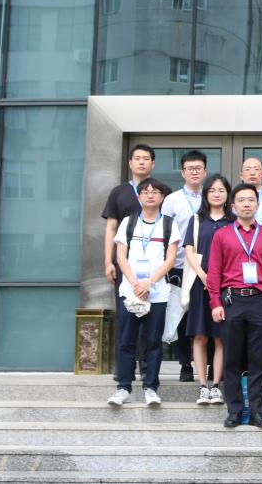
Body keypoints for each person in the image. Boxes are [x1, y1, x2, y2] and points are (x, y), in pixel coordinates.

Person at [207, 184, 262, 428]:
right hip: (232, 300)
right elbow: (214, 271)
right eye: (241, 200)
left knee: (258, 359)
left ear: (258, 205)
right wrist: (215, 302)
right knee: (232, 358)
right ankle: (235, 412)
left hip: (260, 300)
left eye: (251, 199)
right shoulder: (223, 235)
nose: (247, 204)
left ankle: (258, 412)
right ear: (233, 206)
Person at [108, 177, 179, 407]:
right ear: (138, 197)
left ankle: (151, 387)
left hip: (157, 292)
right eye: (146, 192)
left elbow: (170, 259)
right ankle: (123, 388)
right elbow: (120, 256)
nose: (150, 195)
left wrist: (149, 283)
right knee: (126, 341)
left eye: (155, 191)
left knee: (153, 342)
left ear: (161, 197)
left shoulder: (169, 224)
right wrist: (135, 283)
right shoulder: (128, 223)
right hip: (130, 291)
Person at [101, 144, 164, 379]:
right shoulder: (119, 192)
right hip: (126, 265)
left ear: (153, 164)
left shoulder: (161, 190)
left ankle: (147, 366)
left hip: (155, 268)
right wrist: (108, 261)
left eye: (146, 158)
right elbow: (111, 228)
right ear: (129, 163)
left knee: (151, 318)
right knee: (126, 316)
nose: (141, 162)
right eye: (137, 158)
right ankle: (124, 368)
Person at [183, 174, 234, 406]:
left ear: (227, 194)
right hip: (199, 283)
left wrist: (220, 279)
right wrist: (204, 275)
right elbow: (189, 250)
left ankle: (216, 386)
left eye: (221, 190)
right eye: (212, 190)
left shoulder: (233, 221)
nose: (216, 194)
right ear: (205, 194)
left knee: (220, 336)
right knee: (200, 335)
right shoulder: (197, 220)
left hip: (226, 285)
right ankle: (202, 386)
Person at [160, 150, 207, 381]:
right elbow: (164, 232)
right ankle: (184, 364)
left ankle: (206, 363)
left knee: (203, 314)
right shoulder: (172, 200)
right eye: (190, 168)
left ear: (205, 171)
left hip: (205, 266)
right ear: (182, 172)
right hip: (178, 265)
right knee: (180, 315)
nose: (194, 172)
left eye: (198, 168)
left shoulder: (212, 195)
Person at [240, 157, 262, 222]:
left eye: (256, 169)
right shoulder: (232, 199)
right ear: (241, 176)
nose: (252, 173)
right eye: (247, 169)